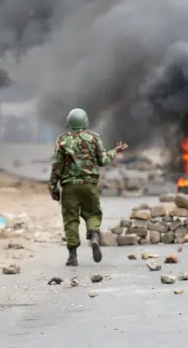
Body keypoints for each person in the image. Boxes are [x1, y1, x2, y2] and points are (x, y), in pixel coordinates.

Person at [48, 108, 128, 266]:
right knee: (92, 214)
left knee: (71, 219)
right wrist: (115, 151)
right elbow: (103, 160)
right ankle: (94, 236)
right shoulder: (94, 138)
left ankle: (72, 256)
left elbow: (57, 165)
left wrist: (52, 185)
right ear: (85, 122)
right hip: (89, 185)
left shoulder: (62, 140)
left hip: (69, 186)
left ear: (69, 122)